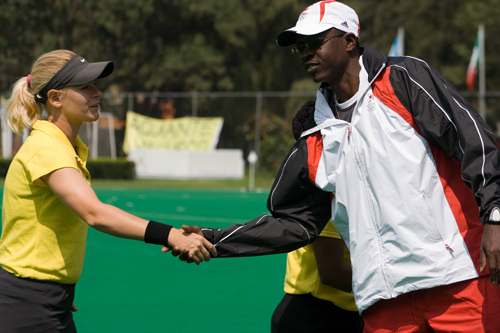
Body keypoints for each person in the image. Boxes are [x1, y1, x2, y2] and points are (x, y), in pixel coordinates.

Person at [177, 1, 500, 332]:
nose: (305, 53)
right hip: (384, 298)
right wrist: (213, 239)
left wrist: (494, 215)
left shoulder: (401, 80)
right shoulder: (315, 134)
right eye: (299, 47)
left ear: (349, 40)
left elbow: (473, 140)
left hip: (458, 279)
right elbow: (295, 223)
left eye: (315, 42)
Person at [0, 49, 216, 333]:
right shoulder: (46, 148)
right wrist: (171, 234)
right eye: (85, 87)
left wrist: (54, 286)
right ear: (55, 98)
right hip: (28, 305)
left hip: (44, 299)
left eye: (95, 85)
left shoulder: (61, 145)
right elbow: (95, 213)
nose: (98, 92)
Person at [271, 100, 363, 333]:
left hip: (340, 313)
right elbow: (331, 272)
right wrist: (392, 283)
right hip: (317, 317)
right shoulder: (325, 192)